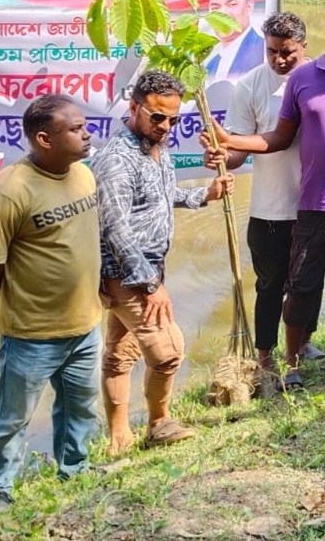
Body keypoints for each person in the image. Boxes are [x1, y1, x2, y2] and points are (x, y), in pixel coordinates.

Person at [208, 0, 325, 388]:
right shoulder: (301, 80)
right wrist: (228, 141)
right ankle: (282, 360)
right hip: (309, 200)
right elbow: (280, 137)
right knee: (293, 283)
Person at [0, 95, 100, 510]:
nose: (87, 133)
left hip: (85, 324)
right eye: (76, 129)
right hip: (31, 334)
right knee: (12, 419)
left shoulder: (83, 174)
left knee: (80, 407)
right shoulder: (9, 192)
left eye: (84, 125)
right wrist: (32, 298)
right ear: (44, 139)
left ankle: (74, 470)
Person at [92, 71, 230, 453]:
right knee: (168, 352)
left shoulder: (156, 147)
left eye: (173, 119)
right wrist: (149, 284)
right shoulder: (117, 160)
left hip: (148, 267)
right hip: (126, 274)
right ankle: (159, 422)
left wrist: (206, 194)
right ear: (134, 107)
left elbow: (160, 197)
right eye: (157, 117)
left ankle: (119, 435)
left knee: (121, 353)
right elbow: (115, 228)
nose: (166, 126)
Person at [213, 12, 325, 373]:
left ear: (304, 47)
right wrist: (222, 157)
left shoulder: (321, 79)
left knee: (309, 281)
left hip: (316, 203)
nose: (279, 59)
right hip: (270, 208)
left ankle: (305, 342)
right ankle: (265, 356)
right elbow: (237, 152)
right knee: (270, 285)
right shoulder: (249, 86)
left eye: (288, 52)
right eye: (272, 51)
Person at [204, 0, 264, 81]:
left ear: (249, 7)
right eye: (215, 8)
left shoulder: (263, 52)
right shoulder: (211, 65)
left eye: (232, 4)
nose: (222, 14)